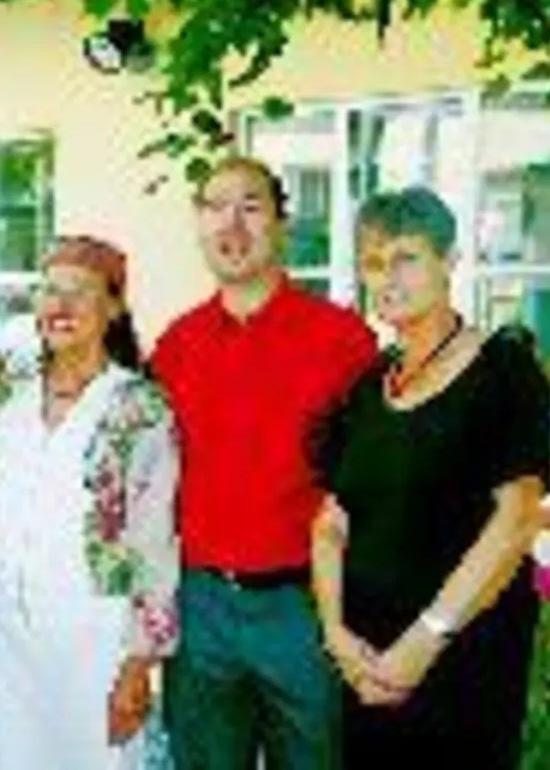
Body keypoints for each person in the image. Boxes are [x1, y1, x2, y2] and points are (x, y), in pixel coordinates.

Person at [150, 155, 378, 770]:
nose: (233, 223)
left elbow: (370, 484)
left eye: (251, 206)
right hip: (200, 607)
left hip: (302, 606)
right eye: (215, 207)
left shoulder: (343, 340)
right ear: (198, 226)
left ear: (282, 223)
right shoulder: (176, 346)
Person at [310, 188, 548, 767]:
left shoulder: (504, 370)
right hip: (367, 665)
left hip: (463, 665)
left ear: (448, 262)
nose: (387, 277)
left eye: (406, 258)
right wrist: (338, 638)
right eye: (373, 262)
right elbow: (331, 523)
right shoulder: (367, 389)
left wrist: (425, 640)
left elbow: (515, 520)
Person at [0, 235, 180, 770]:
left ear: (113, 307)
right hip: (2, 639)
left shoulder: (138, 407)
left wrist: (140, 661)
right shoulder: (4, 397)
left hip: (93, 642)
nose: (60, 307)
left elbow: (154, 541)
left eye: (80, 293)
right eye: (49, 291)